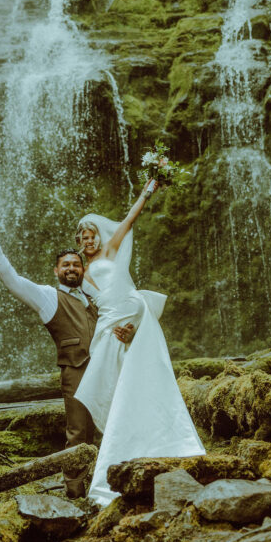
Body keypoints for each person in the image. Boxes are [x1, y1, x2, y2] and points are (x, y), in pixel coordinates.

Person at [74, 183, 205, 504]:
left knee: (142, 379)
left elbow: (128, 221)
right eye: (83, 236)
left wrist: (149, 188)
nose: (89, 239)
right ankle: (129, 447)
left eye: (93, 234)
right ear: (78, 241)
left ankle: (163, 443)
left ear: (99, 237)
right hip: (108, 329)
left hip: (133, 321)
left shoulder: (109, 252)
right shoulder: (78, 269)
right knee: (120, 387)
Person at [0, 218, 118, 498]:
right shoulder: (48, 297)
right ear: (57, 271)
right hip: (76, 370)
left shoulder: (96, 295)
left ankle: (111, 486)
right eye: (65, 265)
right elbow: (14, 282)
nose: (71, 268)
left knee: (113, 424)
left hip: (107, 368)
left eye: (75, 264)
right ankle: (75, 493)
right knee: (79, 432)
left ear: (83, 269)